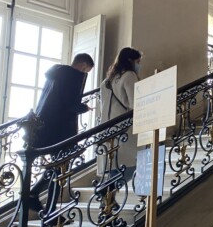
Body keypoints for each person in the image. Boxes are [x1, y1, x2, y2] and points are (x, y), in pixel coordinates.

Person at [28, 53, 95, 213]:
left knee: (56, 167)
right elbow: (70, 103)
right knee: (60, 169)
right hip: (60, 130)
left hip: (45, 127)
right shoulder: (72, 75)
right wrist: (84, 107)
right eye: (86, 71)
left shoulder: (55, 74)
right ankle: (50, 211)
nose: (85, 74)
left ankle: (33, 195)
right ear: (83, 66)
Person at [98, 47, 142, 178]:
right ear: (130, 60)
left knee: (113, 167)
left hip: (107, 128)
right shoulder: (129, 75)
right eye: (137, 62)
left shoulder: (107, 81)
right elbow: (135, 103)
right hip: (124, 126)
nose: (139, 65)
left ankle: (110, 190)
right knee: (128, 168)